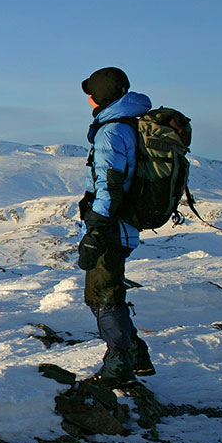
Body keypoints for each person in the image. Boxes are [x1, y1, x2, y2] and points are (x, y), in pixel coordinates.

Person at [76, 66, 156, 387]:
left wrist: (95, 231)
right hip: (119, 225)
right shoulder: (126, 125)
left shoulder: (112, 131)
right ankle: (136, 355)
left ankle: (118, 365)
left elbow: (109, 184)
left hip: (110, 227)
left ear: (99, 96)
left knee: (102, 296)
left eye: (90, 94)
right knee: (107, 293)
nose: (88, 100)